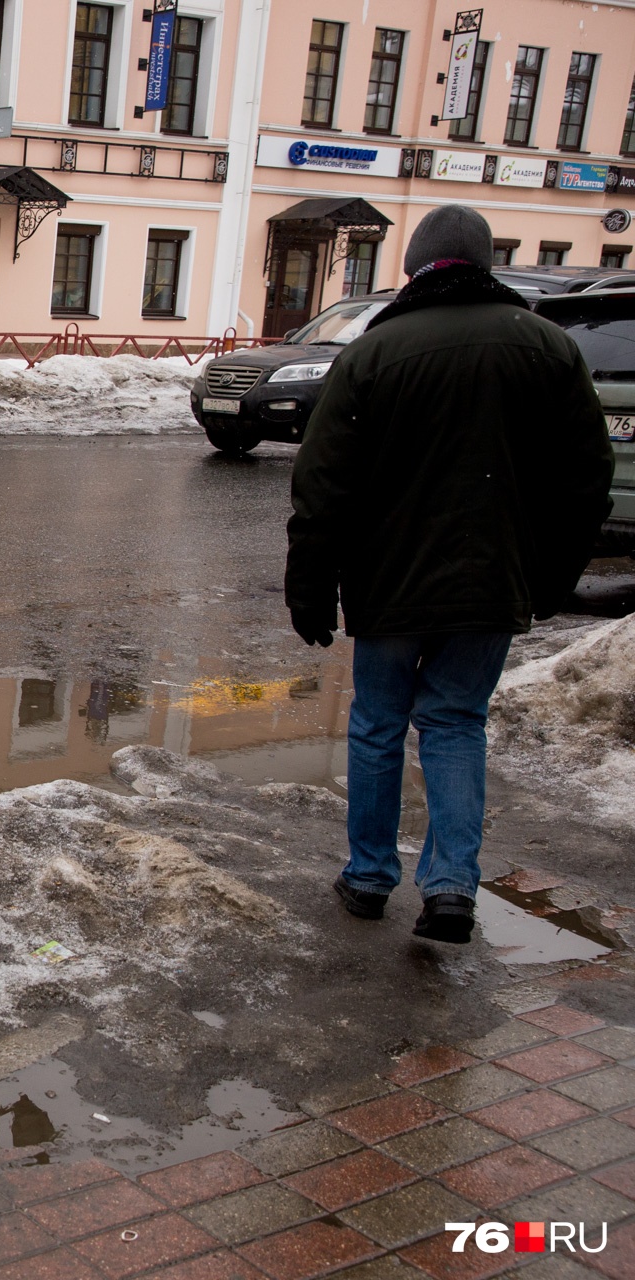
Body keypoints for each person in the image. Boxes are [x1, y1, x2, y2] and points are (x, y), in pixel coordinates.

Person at [286, 204, 613, 944]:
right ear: (485, 265)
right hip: (494, 582)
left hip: (388, 582)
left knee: (376, 726)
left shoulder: (375, 352)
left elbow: (322, 484)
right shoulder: (549, 348)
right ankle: (450, 891)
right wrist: (552, 574)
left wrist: (310, 583)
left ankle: (369, 878)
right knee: (457, 723)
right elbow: (586, 480)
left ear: (415, 267)